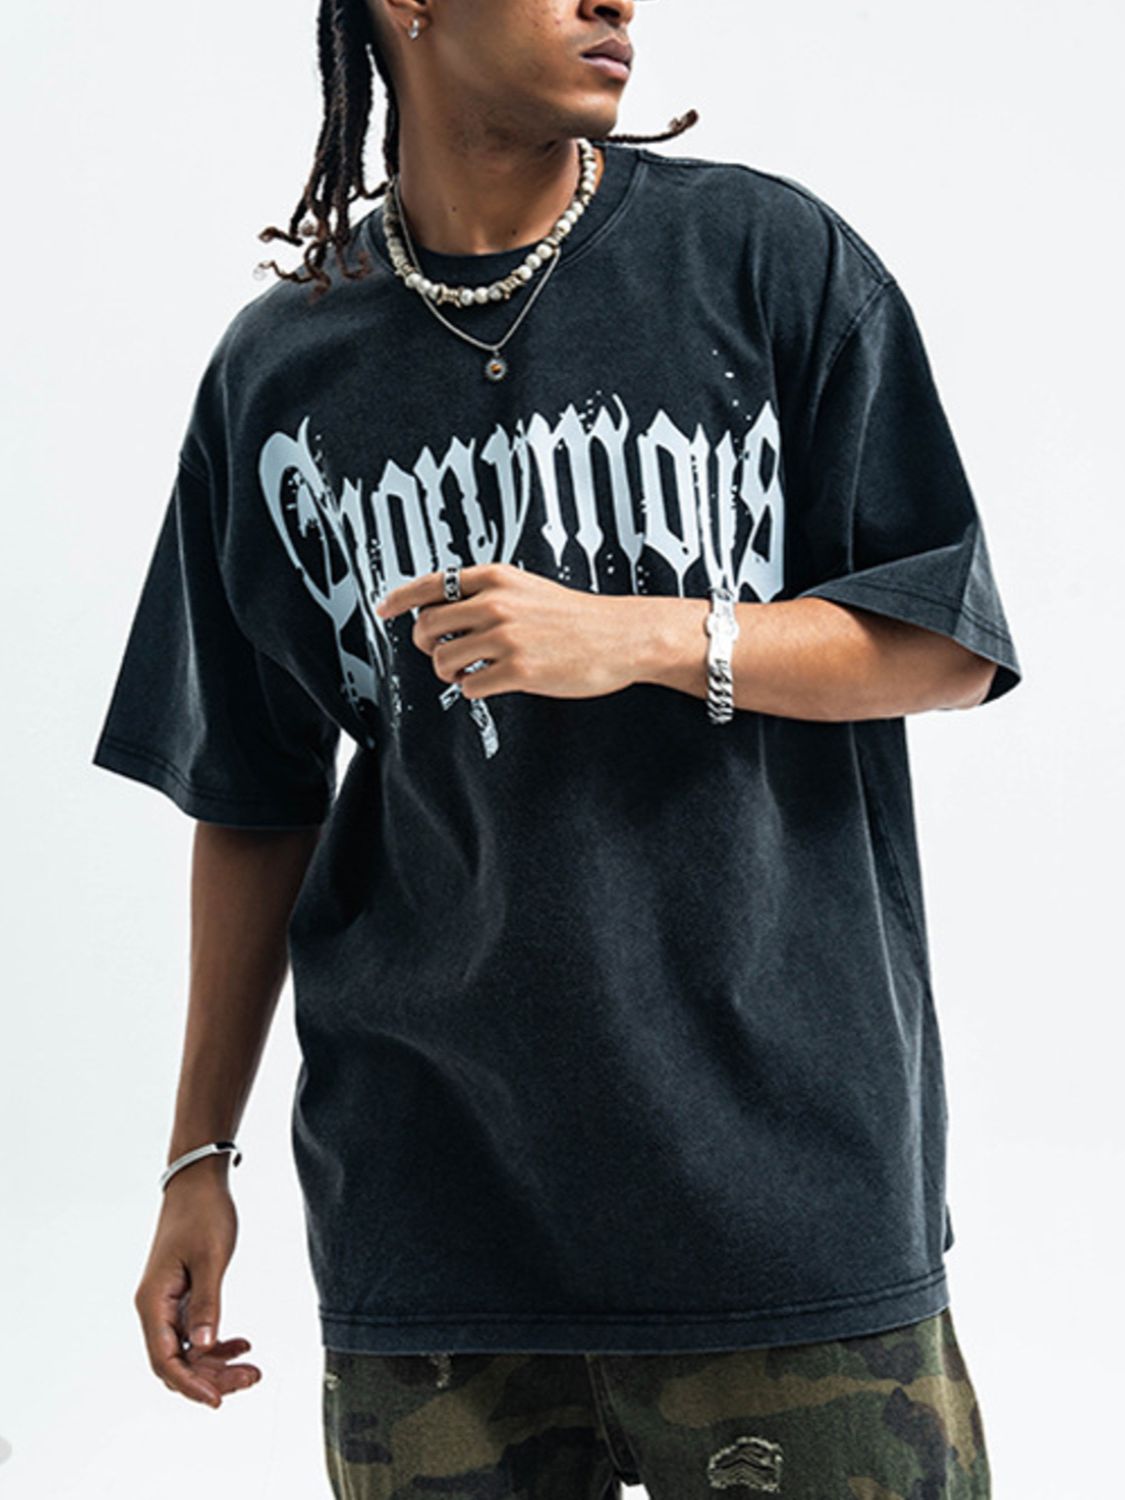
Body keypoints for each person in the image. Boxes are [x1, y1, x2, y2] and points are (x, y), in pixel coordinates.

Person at [91, 1, 1022, 1495]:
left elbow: (946, 640)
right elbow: (254, 795)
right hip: (431, 1224)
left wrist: (646, 636)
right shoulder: (281, 365)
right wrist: (197, 1159)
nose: (616, 1)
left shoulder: (762, 259)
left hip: (783, 1203)